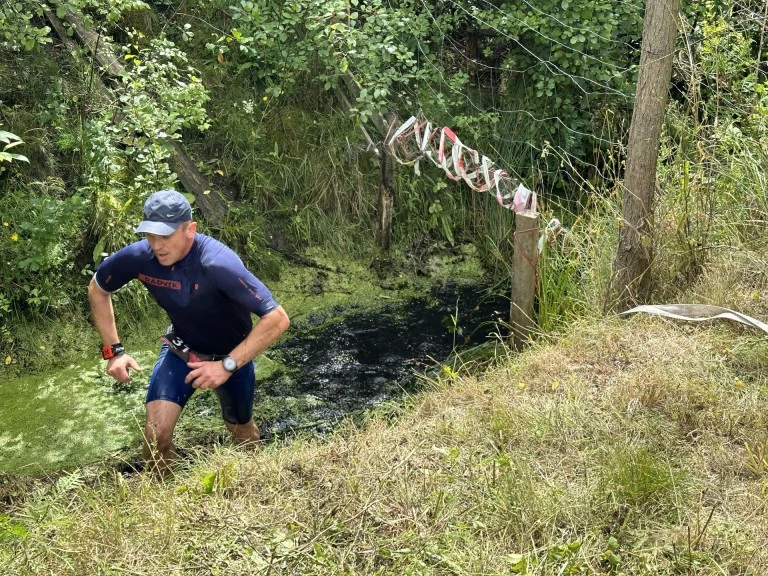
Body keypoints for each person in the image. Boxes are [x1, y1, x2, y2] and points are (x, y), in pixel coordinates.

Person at [88, 189, 290, 474]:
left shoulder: (217, 263)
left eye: (166, 236)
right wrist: (114, 351)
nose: (157, 245)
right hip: (182, 350)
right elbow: (98, 288)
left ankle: (256, 482)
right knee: (155, 436)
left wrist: (226, 365)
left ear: (190, 229)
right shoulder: (139, 257)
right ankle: (164, 503)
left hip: (231, 356)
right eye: (150, 235)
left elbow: (277, 318)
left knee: (242, 432)